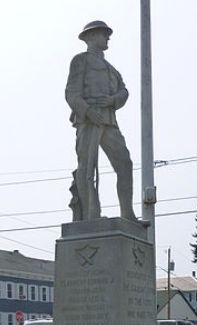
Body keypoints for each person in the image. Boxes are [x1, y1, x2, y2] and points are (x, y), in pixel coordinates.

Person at [66, 20, 137, 222]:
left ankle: (127, 213)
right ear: (90, 37)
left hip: (109, 121)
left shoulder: (111, 69)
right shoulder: (80, 61)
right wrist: (88, 112)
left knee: (124, 163)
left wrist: (114, 100)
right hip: (88, 120)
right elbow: (71, 93)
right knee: (87, 168)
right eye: (103, 34)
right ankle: (91, 214)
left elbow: (124, 91)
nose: (107, 37)